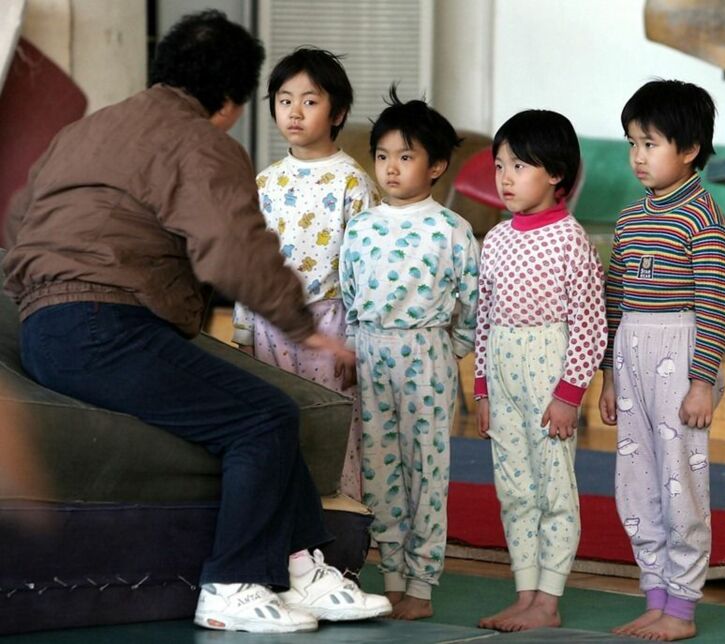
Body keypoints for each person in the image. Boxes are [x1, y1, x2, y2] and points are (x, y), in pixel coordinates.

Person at [2, 10, 389, 634]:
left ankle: (302, 566)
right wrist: (301, 323)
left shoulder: (85, 131)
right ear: (233, 100)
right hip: (106, 327)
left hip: (47, 325)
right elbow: (233, 245)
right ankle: (231, 584)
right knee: (263, 418)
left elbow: (19, 220)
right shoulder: (202, 143)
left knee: (261, 407)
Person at [599, 80, 725, 642]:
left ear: (690, 149)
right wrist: (607, 375)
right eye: (632, 142)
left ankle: (681, 607)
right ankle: (654, 595)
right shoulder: (630, 220)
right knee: (636, 481)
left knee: (681, 482)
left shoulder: (704, 217)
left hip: (679, 359)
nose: (637, 156)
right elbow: (614, 298)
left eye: (650, 144)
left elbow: (716, 305)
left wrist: (702, 382)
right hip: (630, 356)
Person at [339, 86, 480, 620]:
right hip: (372, 354)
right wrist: (356, 347)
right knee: (379, 470)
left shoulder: (452, 230)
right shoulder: (361, 226)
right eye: (382, 156)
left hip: (428, 355)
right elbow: (350, 296)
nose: (390, 168)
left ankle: (421, 584)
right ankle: (391, 576)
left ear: (438, 165)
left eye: (405, 156)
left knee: (428, 471)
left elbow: (471, 303)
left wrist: (452, 350)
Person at [475, 110, 607, 632]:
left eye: (520, 165)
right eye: (500, 165)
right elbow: (484, 318)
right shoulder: (498, 239)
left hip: (549, 372)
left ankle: (548, 601)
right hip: (503, 371)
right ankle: (524, 593)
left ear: (555, 173)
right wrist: (482, 388)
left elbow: (591, 326)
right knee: (514, 489)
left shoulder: (570, 239)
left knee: (553, 489)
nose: (505, 177)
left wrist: (569, 394)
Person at [232, 47, 379, 501]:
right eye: (284, 99)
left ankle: (337, 531)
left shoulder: (353, 182)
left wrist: (353, 337)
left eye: (310, 101)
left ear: (338, 112)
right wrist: (242, 326)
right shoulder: (264, 181)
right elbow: (247, 257)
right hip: (269, 324)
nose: (294, 112)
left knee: (331, 426)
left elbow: (363, 270)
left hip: (328, 324)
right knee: (275, 425)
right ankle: (284, 539)